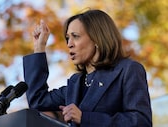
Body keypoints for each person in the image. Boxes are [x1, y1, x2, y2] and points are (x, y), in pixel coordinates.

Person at [23, 9, 152, 127]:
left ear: (97, 38)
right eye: (67, 38)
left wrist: (85, 118)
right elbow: (37, 101)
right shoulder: (75, 83)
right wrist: (39, 48)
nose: (69, 44)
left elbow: (141, 122)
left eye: (76, 36)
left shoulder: (128, 70)